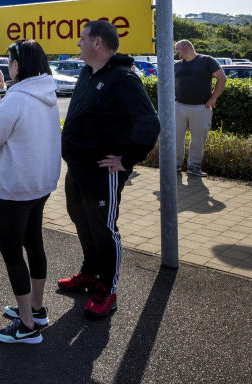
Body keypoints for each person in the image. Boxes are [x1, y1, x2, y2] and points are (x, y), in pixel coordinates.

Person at [59, 20, 160, 319]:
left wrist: (126, 160)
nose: (78, 43)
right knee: (82, 221)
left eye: (82, 39)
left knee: (104, 229)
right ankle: (90, 273)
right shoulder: (87, 73)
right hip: (78, 168)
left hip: (104, 171)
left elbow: (149, 123)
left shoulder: (122, 78)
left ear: (98, 43)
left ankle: (107, 289)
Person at [0, 40, 61, 345]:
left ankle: (26, 326)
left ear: (18, 64)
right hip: (40, 184)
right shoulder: (47, 93)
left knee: (12, 253)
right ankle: (36, 310)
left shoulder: (15, 99)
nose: (8, 66)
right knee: (34, 243)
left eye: (10, 60)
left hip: (14, 188)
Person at [174, 40, 226, 177]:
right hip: (179, 107)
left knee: (198, 139)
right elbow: (173, 83)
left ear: (186, 47)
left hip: (201, 108)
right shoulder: (177, 65)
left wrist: (213, 98)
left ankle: (194, 168)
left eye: (177, 49)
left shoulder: (207, 60)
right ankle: (175, 166)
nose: (176, 52)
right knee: (176, 138)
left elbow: (222, 78)